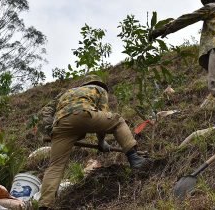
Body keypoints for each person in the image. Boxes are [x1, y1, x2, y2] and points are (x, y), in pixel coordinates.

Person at [38, 75, 150, 209]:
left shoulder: (67, 93)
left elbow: (45, 111)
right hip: (85, 115)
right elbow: (103, 113)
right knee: (118, 121)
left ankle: (44, 205)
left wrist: (50, 129)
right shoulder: (99, 89)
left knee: (55, 166)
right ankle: (134, 159)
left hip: (61, 124)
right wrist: (101, 142)